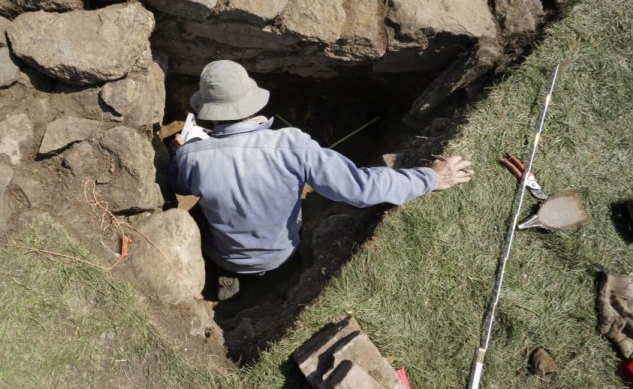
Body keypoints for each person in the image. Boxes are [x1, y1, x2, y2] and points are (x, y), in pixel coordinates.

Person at [169, 60, 474, 300]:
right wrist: (430, 178)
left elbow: (180, 187)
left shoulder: (192, 157)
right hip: (282, 252)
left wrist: (182, 151)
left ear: (208, 112)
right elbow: (360, 189)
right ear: (251, 101)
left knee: (197, 212)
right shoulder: (291, 145)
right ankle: (265, 277)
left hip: (223, 254)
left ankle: (228, 278)